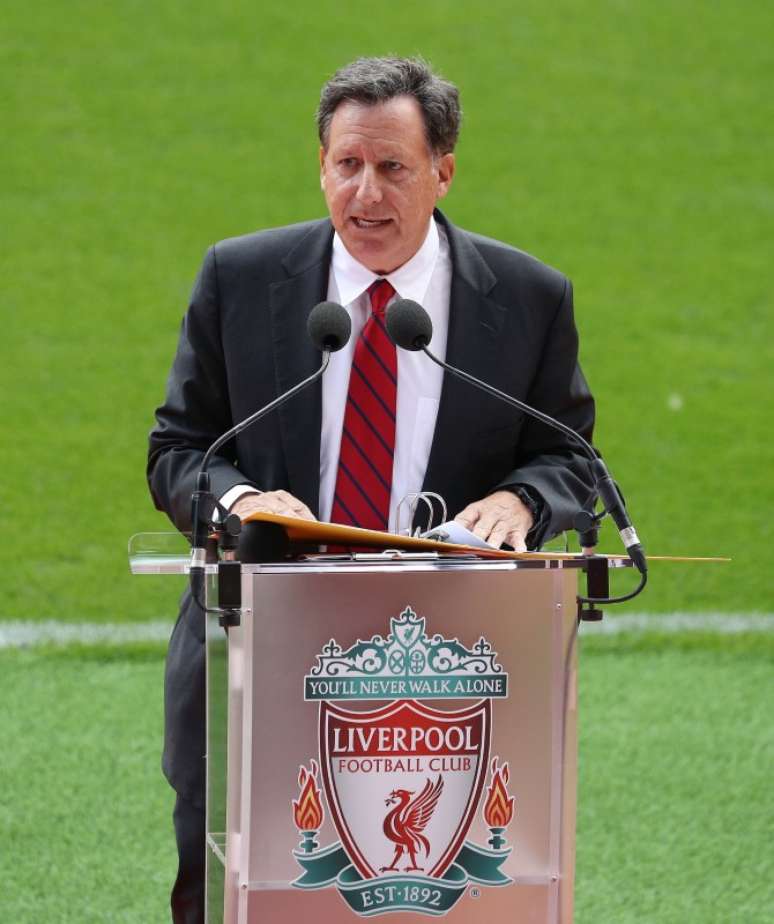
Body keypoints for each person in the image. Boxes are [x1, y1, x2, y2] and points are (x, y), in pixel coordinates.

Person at [148, 56, 594, 923]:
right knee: (229, 887)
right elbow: (181, 447)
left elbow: (570, 456)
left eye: (393, 167)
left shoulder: (529, 299)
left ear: (443, 171)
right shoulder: (240, 280)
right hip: (256, 647)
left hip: (451, 672)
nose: (366, 193)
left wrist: (523, 504)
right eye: (346, 164)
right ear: (321, 163)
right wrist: (242, 504)